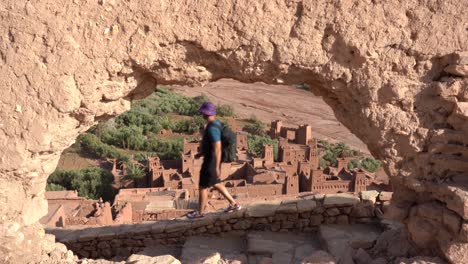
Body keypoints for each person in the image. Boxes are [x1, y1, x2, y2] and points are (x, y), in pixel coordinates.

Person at [187, 102, 241, 219]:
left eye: (202, 112)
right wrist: (201, 153)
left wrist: (216, 167)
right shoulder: (217, 124)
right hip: (211, 159)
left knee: (203, 186)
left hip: (211, 161)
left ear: (205, 113)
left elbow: (217, 147)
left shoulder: (212, 128)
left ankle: (200, 212)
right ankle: (235, 204)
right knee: (216, 183)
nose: (201, 114)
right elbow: (212, 146)